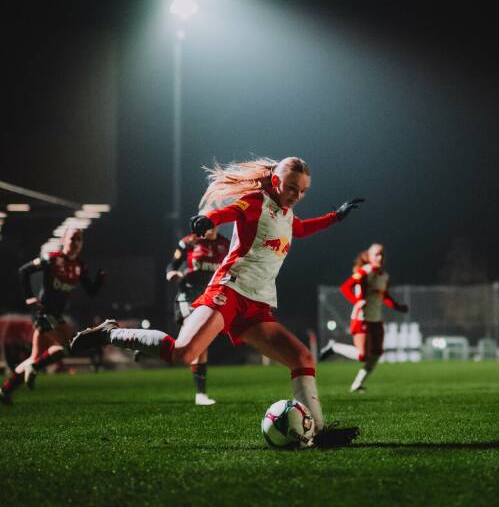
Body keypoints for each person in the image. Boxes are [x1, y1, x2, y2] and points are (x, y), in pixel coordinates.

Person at [71, 156, 363, 447]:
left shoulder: (285, 215)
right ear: (276, 181)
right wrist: (209, 219)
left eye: (303, 192)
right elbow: (230, 212)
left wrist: (334, 217)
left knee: (302, 359)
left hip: (258, 305)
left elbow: (300, 229)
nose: (297, 196)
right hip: (230, 290)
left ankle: (319, 432)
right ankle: (111, 333)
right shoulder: (256, 202)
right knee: (183, 353)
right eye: (291, 188)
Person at [0, 227, 104, 405]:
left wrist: (99, 281)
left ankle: (4, 391)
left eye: (79, 240)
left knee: (36, 357)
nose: (75, 243)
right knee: (67, 347)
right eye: (72, 238)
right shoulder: (53, 259)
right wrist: (29, 297)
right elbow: (24, 271)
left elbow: (90, 291)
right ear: (64, 239)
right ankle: (33, 369)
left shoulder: (80, 266)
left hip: (56, 315)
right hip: (43, 313)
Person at [319, 243, 408, 392]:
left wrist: (398, 307)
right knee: (363, 356)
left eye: (382, 254)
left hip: (376, 320)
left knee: (377, 355)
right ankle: (334, 346)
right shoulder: (364, 272)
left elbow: (384, 296)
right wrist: (357, 301)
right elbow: (345, 287)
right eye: (376, 254)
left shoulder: (384, 276)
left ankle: (357, 384)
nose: (380, 257)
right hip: (362, 318)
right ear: (369, 256)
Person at [164, 226, 230, 405]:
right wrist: (172, 273)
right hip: (188, 295)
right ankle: (200, 394)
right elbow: (172, 265)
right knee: (195, 342)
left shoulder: (226, 244)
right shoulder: (189, 241)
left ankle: (148, 346)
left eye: (211, 224)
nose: (207, 229)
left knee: (193, 345)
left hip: (208, 297)